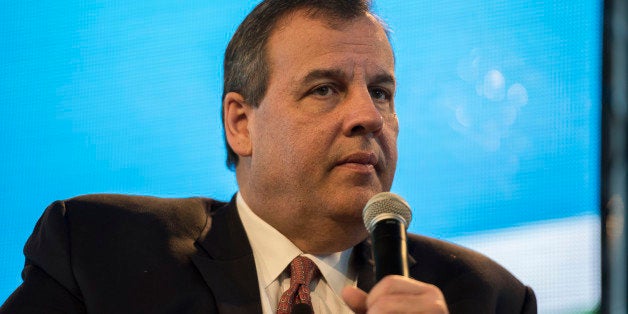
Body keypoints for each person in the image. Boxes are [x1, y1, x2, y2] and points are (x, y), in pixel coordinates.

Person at [0, 0, 536, 313]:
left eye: (381, 92)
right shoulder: (98, 252)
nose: (368, 117)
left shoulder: (486, 299)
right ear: (241, 123)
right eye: (324, 89)